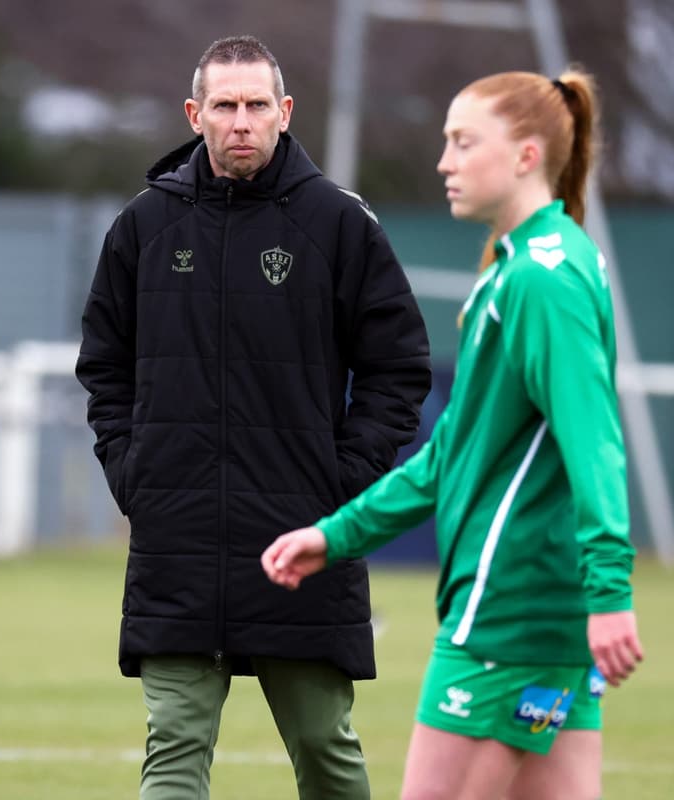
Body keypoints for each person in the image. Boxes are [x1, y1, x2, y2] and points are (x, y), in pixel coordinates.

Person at [262, 68, 643, 800]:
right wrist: (336, 535)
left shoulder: (542, 279)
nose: (445, 162)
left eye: (464, 142)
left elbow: (594, 443)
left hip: (511, 607)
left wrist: (611, 591)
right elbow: (452, 454)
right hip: (543, 605)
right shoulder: (530, 264)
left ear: (527, 156)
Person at [75, 35, 431, 800]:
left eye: (257, 105)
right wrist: (136, 476)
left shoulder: (340, 225)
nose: (241, 121)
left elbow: (399, 368)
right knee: (173, 750)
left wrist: (341, 486)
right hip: (177, 539)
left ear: (285, 112)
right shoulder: (143, 228)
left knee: (325, 749)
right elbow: (102, 368)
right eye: (226, 105)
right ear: (194, 114)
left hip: (300, 541)